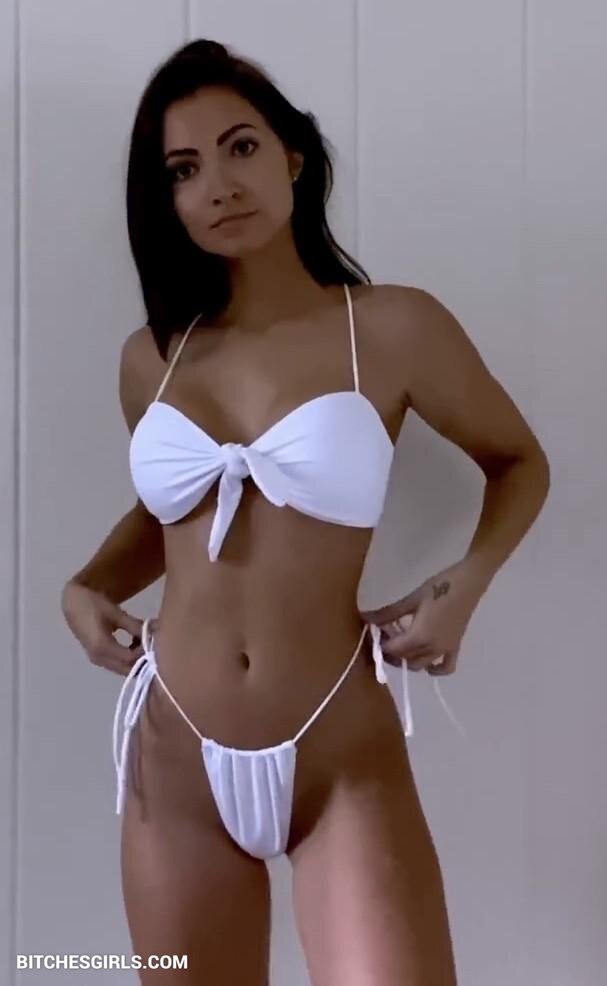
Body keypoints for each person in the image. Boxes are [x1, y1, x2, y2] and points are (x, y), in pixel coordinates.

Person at [61, 38, 550, 986]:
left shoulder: (391, 327)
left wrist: (466, 583)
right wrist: (84, 586)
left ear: (292, 156)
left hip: (338, 748)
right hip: (172, 751)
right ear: (165, 200)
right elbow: (174, 516)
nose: (218, 186)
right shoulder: (152, 356)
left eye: (240, 147)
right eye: (184, 169)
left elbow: (517, 461)